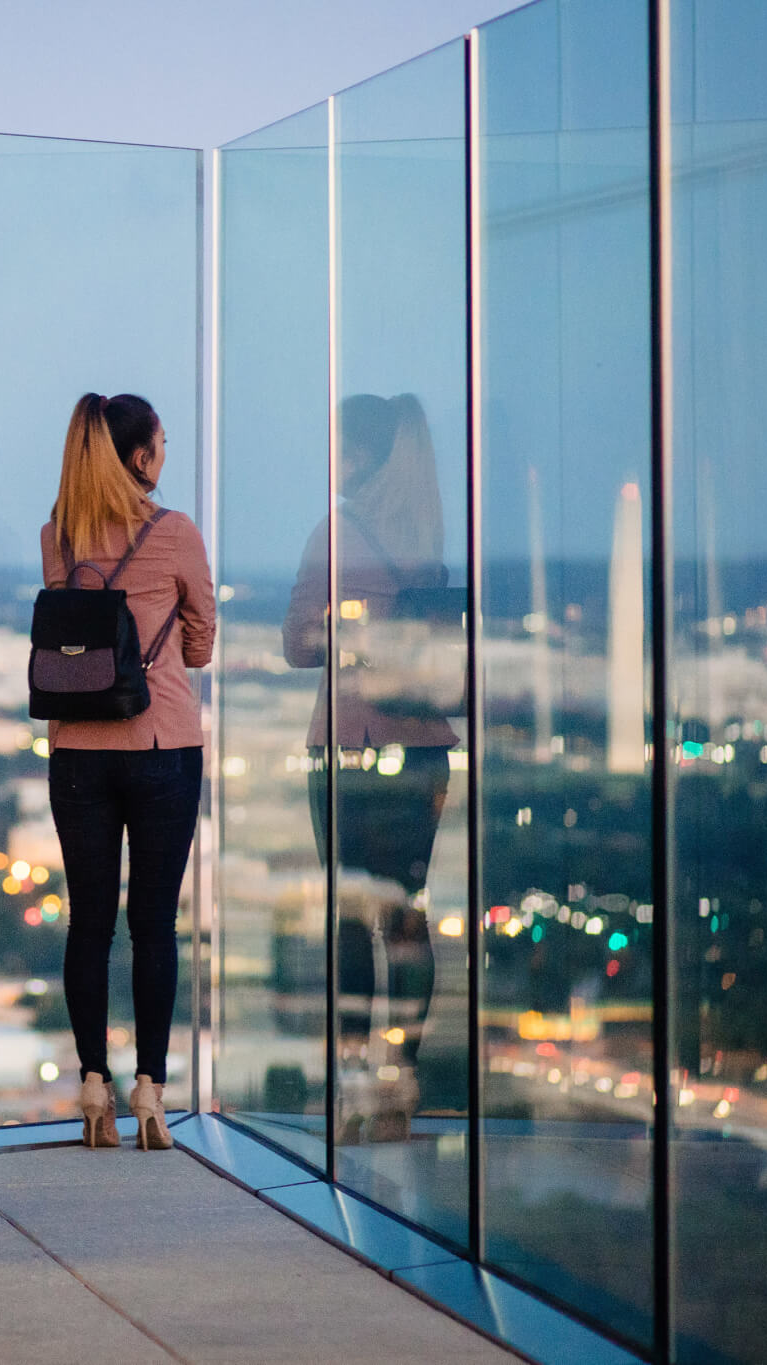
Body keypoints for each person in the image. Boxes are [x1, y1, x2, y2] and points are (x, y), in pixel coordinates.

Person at [40, 392, 216, 1149]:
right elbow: (201, 639)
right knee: (154, 925)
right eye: (163, 444)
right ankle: (149, 1088)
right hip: (160, 746)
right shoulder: (174, 534)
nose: (167, 455)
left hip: (76, 751)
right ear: (141, 456)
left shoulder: (59, 534)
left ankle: (91, 1084)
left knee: (89, 923)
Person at [284, 394, 458, 1142]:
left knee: (354, 918)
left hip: (351, 747)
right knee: (406, 917)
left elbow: (297, 644)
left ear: (362, 456)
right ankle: (403, 1076)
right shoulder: (427, 531)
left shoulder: (338, 532)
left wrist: (334, 631)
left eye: (340, 450)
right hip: (421, 750)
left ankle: (355, 1080)